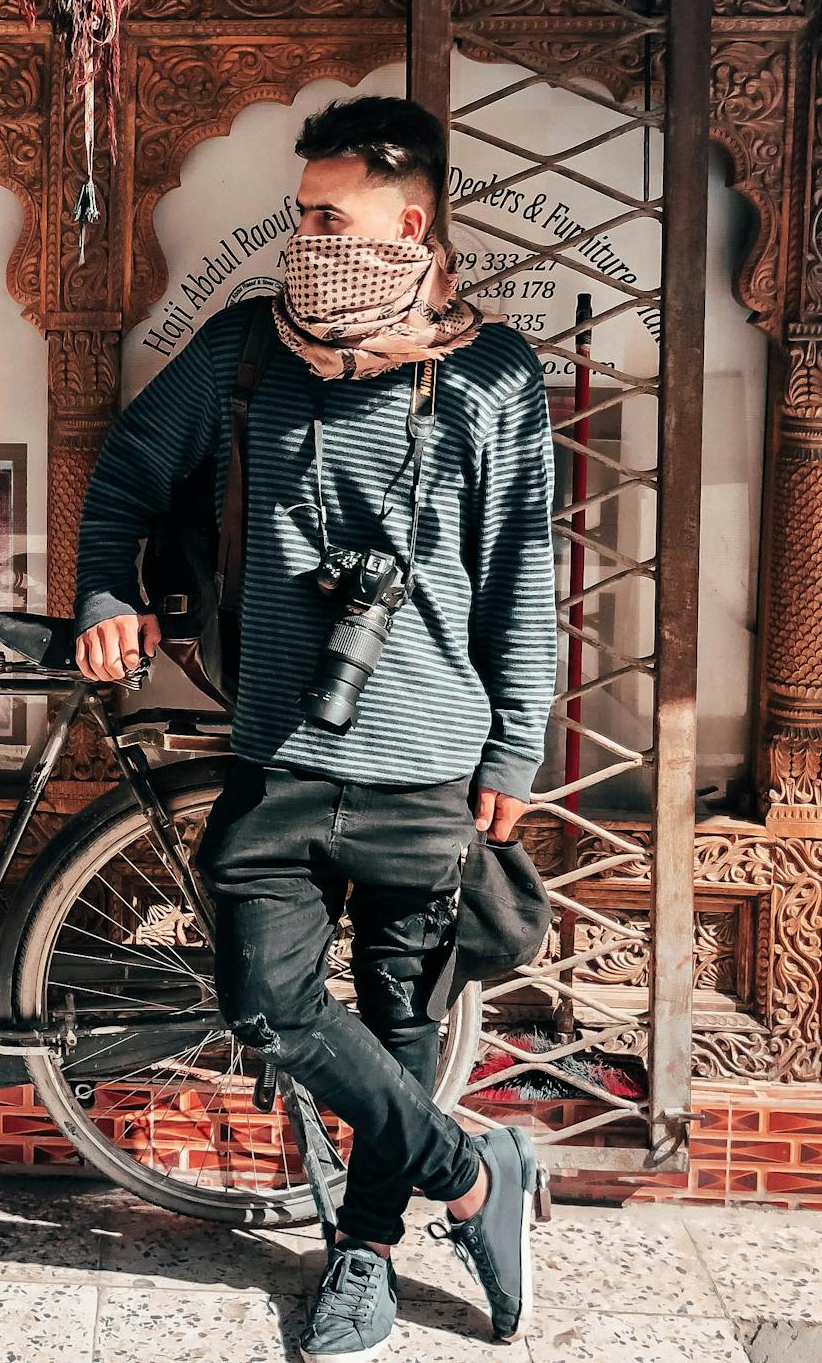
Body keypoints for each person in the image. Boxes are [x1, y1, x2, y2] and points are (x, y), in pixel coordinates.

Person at [73, 95, 558, 1357]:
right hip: (280, 745)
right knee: (265, 996)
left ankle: (369, 1253)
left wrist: (516, 742)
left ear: (413, 220)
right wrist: (106, 588)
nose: (307, 241)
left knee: (399, 1014)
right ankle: (472, 1170)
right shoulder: (246, 352)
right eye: (299, 217)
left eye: (328, 216)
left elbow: (521, 568)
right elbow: (128, 468)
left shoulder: (496, 374)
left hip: (427, 759)